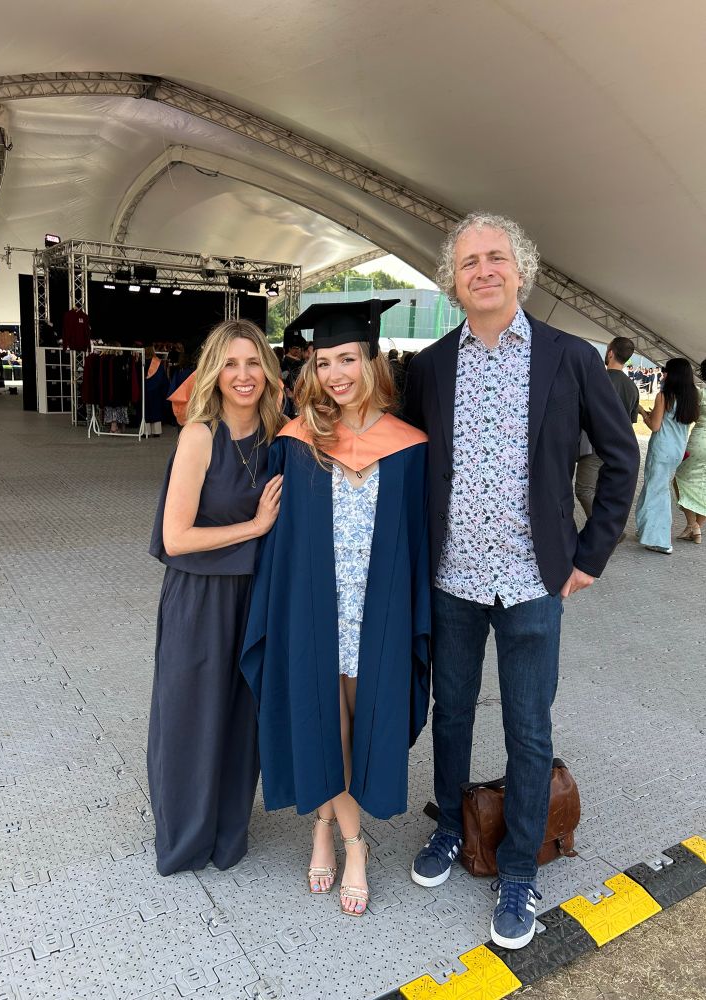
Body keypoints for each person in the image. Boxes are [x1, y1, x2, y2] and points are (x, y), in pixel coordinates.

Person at [405, 212, 639, 950]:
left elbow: (620, 459)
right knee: (451, 714)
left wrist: (589, 557)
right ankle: (448, 824)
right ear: (453, 279)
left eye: (495, 258)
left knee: (528, 727)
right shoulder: (431, 366)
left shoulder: (571, 358)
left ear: (520, 270)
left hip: (536, 579)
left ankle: (517, 871)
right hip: (453, 578)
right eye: (468, 261)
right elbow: (412, 464)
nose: (482, 270)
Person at [241, 299, 431, 917]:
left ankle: (330, 827)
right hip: (314, 612)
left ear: (372, 360)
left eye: (347, 358)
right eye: (324, 363)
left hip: (372, 617)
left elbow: (418, 538)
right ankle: (347, 840)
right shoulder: (297, 442)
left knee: (352, 731)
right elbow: (285, 535)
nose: (336, 374)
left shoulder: (408, 447)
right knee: (325, 728)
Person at [147, 319, 284, 876]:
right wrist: (253, 528)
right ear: (214, 372)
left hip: (255, 597)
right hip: (200, 597)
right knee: (188, 716)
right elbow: (177, 537)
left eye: (253, 363)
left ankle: (228, 832)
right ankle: (184, 836)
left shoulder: (282, 435)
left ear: (269, 371)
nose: (243, 375)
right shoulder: (200, 435)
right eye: (231, 364)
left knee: (238, 720)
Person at [636, 357, 700, 554]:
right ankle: (646, 530)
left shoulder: (664, 395)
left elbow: (654, 426)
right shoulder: (692, 396)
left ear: (673, 374)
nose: (663, 374)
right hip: (677, 450)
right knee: (655, 488)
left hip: (662, 449)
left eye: (666, 371)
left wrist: (641, 412)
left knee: (657, 491)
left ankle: (661, 540)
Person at [575, 336, 640, 521]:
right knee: (602, 489)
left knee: (584, 489)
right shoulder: (633, 387)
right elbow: (631, 420)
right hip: (618, 446)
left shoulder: (598, 379)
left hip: (594, 444)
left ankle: (605, 529)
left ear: (610, 353)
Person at [674, 359, 706, 544]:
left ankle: (693, 526)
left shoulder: (700, 394)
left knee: (679, 479)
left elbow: (690, 416)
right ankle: (696, 529)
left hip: (698, 442)